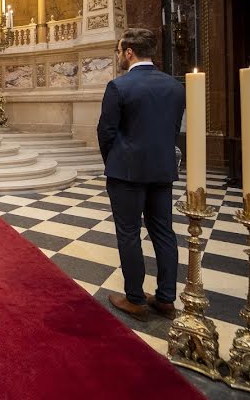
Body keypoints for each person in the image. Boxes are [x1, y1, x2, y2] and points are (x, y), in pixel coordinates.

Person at [97, 28, 185, 321]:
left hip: (127, 172)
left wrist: (114, 160)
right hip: (162, 170)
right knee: (164, 232)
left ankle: (135, 298)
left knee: (129, 233)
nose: (120, 56)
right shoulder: (175, 86)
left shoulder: (119, 86)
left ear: (129, 52)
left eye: (120, 50)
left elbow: (106, 132)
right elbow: (173, 130)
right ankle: (166, 298)